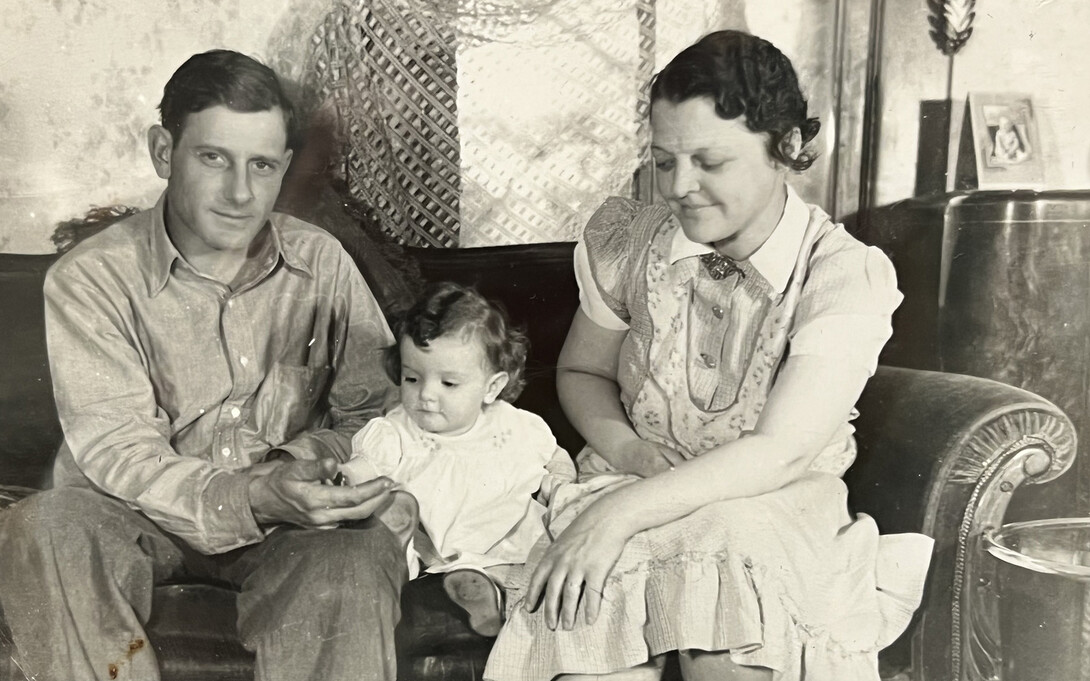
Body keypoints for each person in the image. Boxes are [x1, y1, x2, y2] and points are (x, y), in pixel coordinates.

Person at [483, 30, 934, 681]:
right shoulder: (636, 244)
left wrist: (618, 514)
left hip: (767, 501)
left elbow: (778, 450)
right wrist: (632, 456)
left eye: (709, 162)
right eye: (665, 162)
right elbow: (582, 370)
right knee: (583, 627)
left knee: (727, 618)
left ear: (787, 149)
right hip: (633, 476)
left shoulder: (840, 274)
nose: (680, 186)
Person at [0, 50, 407, 681]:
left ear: (284, 170)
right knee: (44, 528)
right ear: (164, 152)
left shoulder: (321, 263)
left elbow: (378, 413)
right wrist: (244, 494)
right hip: (133, 515)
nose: (241, 193)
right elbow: (120, 452)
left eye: (262, 166)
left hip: (287, 524)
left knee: (358, 550)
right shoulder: (91, 280)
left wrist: (297, 469)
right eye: (213, 157)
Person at [340, 283, 577, 637]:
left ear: (492, 387)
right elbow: (366, 468)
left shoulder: (514, 425)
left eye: (449, 383)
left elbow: (554, 458)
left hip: (507, 532)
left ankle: (487, 589)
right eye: (412, 378)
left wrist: (559, 485)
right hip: (433, 541)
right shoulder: (396, 431)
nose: (426, 395)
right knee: (386, 524)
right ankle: (457, 578)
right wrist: (344, 478)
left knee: (536, 555)